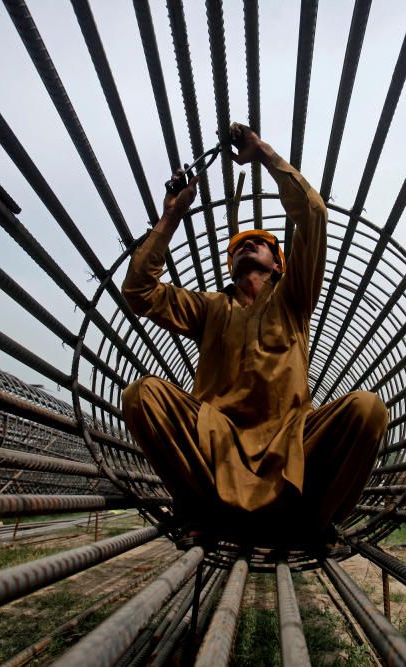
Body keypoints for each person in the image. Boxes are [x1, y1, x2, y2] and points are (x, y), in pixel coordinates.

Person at [121, 123, 388, 545]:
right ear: (229, 267)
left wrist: (262, 152)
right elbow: (138, 291)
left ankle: (311, 523)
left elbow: (314, 214)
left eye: (260, 242)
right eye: (238, 246)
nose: (246, 244)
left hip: (291, 446)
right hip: (216, 447)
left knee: (368, 410)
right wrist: (172, 215)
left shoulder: (294, 297)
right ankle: (204, 512)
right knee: (142, 396)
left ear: (279, 263)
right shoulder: (210, 308)